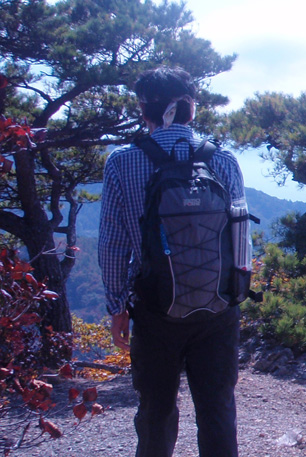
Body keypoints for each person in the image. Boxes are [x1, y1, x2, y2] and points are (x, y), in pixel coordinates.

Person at [98, 66, 245, 457]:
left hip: (153, 309)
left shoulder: (122, 163)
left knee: (156, 413)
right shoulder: (224, 160)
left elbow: (113, 244)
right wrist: (235, 292)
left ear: (144, 111)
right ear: (191, 109)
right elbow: (241, 237)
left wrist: (117, 307)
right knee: (217, 412)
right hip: (217, 309)